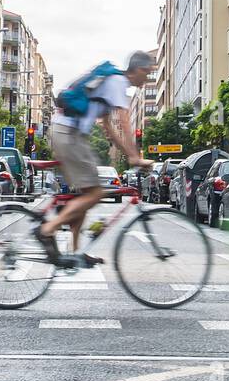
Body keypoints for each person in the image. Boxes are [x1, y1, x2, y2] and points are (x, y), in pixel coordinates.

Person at [36, 50, 155, 261]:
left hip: (70, 134)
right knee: (94, 194)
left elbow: (110, 128)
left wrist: (129, 154)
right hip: (69, 134)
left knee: (83, 196)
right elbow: (125, 122)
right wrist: (135, 156)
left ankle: (75, 253)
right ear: (138, 69)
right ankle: (48, 229)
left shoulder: (111, 84)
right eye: (147, 72)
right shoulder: (119, 83)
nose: (148, 78)